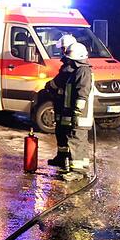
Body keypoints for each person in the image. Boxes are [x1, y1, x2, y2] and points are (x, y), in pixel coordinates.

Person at [58, 40, 94, 180]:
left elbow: (82, 92)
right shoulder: (78, 70)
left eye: (70, 59)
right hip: (77, 113)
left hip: (79, 114)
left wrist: (77, 111)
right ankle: (82, 167)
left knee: (76, 139)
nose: (69, 62)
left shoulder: (82, 71)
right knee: (80, 140)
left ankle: (77, 172)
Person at [46, 34, 77, 168]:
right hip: (62, 103)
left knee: (65, 132)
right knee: (60, 130)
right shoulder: (69, 63)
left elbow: (59, 81)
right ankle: (61, 156)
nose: (61, 51)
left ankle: (67, 160)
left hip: (66, 104)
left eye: (63, 48)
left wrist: (49, 86)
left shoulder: (70, 66)